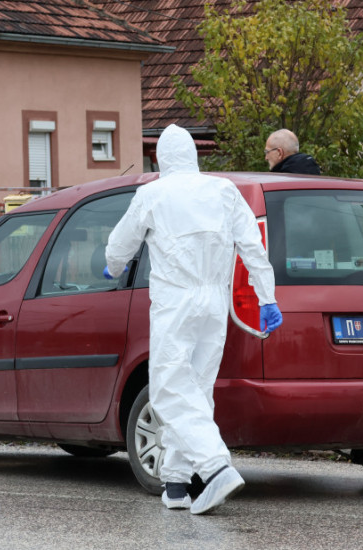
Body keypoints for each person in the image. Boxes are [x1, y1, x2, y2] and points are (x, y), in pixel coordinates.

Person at [104, 124, 283, 515]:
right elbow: (252, 246)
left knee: (169, 389)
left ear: (161, 159)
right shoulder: (222, 191)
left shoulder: (152, 193)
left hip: (176, 302)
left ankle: (216, 466)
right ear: (194, 156)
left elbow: (121, 243)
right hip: (213, 303)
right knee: (197, 391)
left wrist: (112, 265)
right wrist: (266, 297)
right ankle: (176, 484)